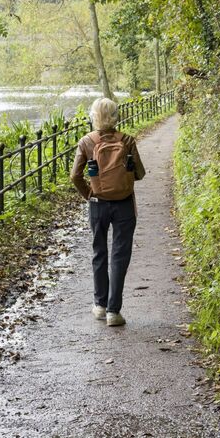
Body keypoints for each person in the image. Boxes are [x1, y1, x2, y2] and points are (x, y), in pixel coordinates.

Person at [71, 97, 145, 327]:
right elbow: (140, 174)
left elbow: (75, 176)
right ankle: (114, 311)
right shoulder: (128, 140)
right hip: (124, 203)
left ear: (94, 117)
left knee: (99, 252)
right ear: (115, 116)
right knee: (119, 256)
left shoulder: (86, 142)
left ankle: (100, 305)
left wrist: (89, 193)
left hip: (98, 204)